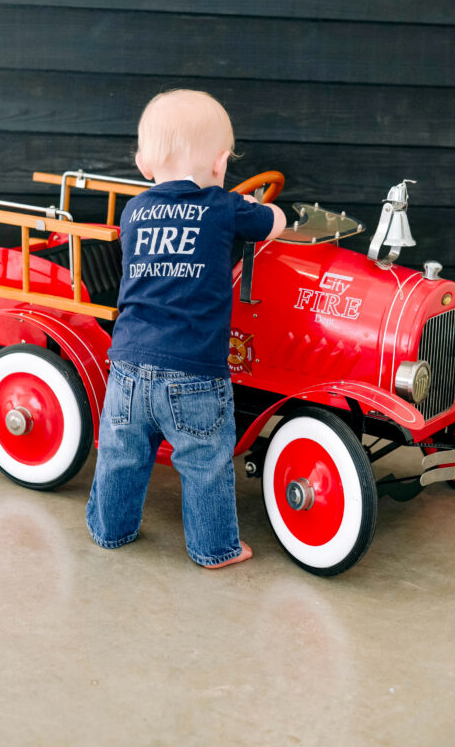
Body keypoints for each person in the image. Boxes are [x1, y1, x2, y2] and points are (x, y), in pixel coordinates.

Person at [86, 89, 287, 568]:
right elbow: (274, 223)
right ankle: (214, 548)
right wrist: (272, 210)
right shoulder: (225, 207)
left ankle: (110, 529)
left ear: (143, 163)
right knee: (205, 462)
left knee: (120, 453)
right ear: (221, 163)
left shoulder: (133, 210)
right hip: (193, 372)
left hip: (128, 363)